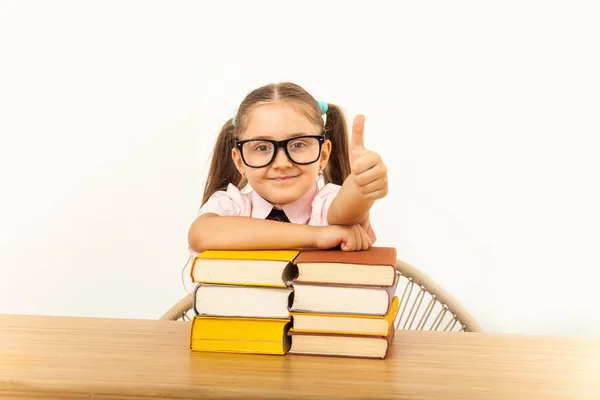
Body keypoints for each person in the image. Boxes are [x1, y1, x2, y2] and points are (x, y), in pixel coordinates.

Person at [187, 82, 388, 253]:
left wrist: (361, 185)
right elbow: (201, 233)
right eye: (262, 147)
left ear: (323, 155)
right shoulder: (233, 206)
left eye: (298, 144)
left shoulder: (325, 208)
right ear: (240, 162)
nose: (282, 163)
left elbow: (346, 211)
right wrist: (317, 236)